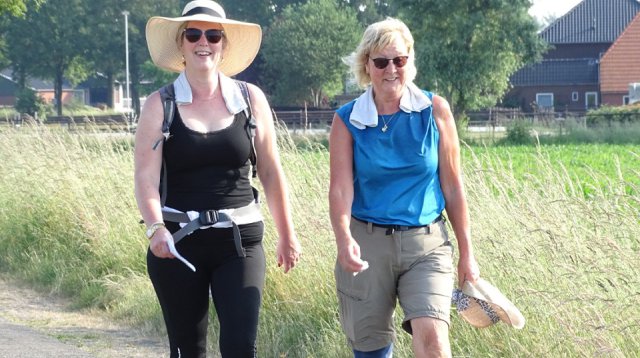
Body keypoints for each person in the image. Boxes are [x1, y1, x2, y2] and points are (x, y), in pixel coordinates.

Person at [134, 1, 301, 357]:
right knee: (187, 350)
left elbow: (270, 171)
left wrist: (287, 234)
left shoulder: (249, 99)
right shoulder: (159, 106)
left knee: (241, 347)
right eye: (193, 34)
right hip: (179, 244)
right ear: (181, 43)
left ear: (224, 45)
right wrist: (155, 228)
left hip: (240, 241)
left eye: (213, 35)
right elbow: (146, 178)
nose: (203, 42)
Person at [329, 17, 480, 358]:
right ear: (367, 65)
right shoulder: (346, 120)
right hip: (366, 244)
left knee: (433, 339)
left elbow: (454, 188)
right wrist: (343, 239)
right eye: (381, 61)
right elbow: (340, 191)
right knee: (371, 350)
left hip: (427, 244)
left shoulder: (435, 111)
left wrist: (467, 253)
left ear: (410, 61)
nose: (391, 69)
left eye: (399, 60)